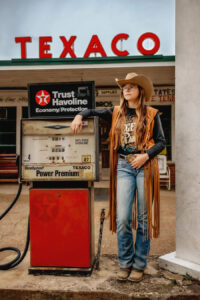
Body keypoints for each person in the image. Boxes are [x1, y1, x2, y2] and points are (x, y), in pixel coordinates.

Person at [71, 72, 166, 282]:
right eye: (125, 86)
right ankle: (125, 263)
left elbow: (161, 142)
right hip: (124, 166)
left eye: (132, 86)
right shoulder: (115, 113)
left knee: (142, 218)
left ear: (140, 91)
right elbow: (91, 110)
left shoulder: (151, 114)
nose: (127, 89)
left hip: (145, 165)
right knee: (122, 218)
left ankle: (139, 264)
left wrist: (145, 156)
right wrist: (79, 115)